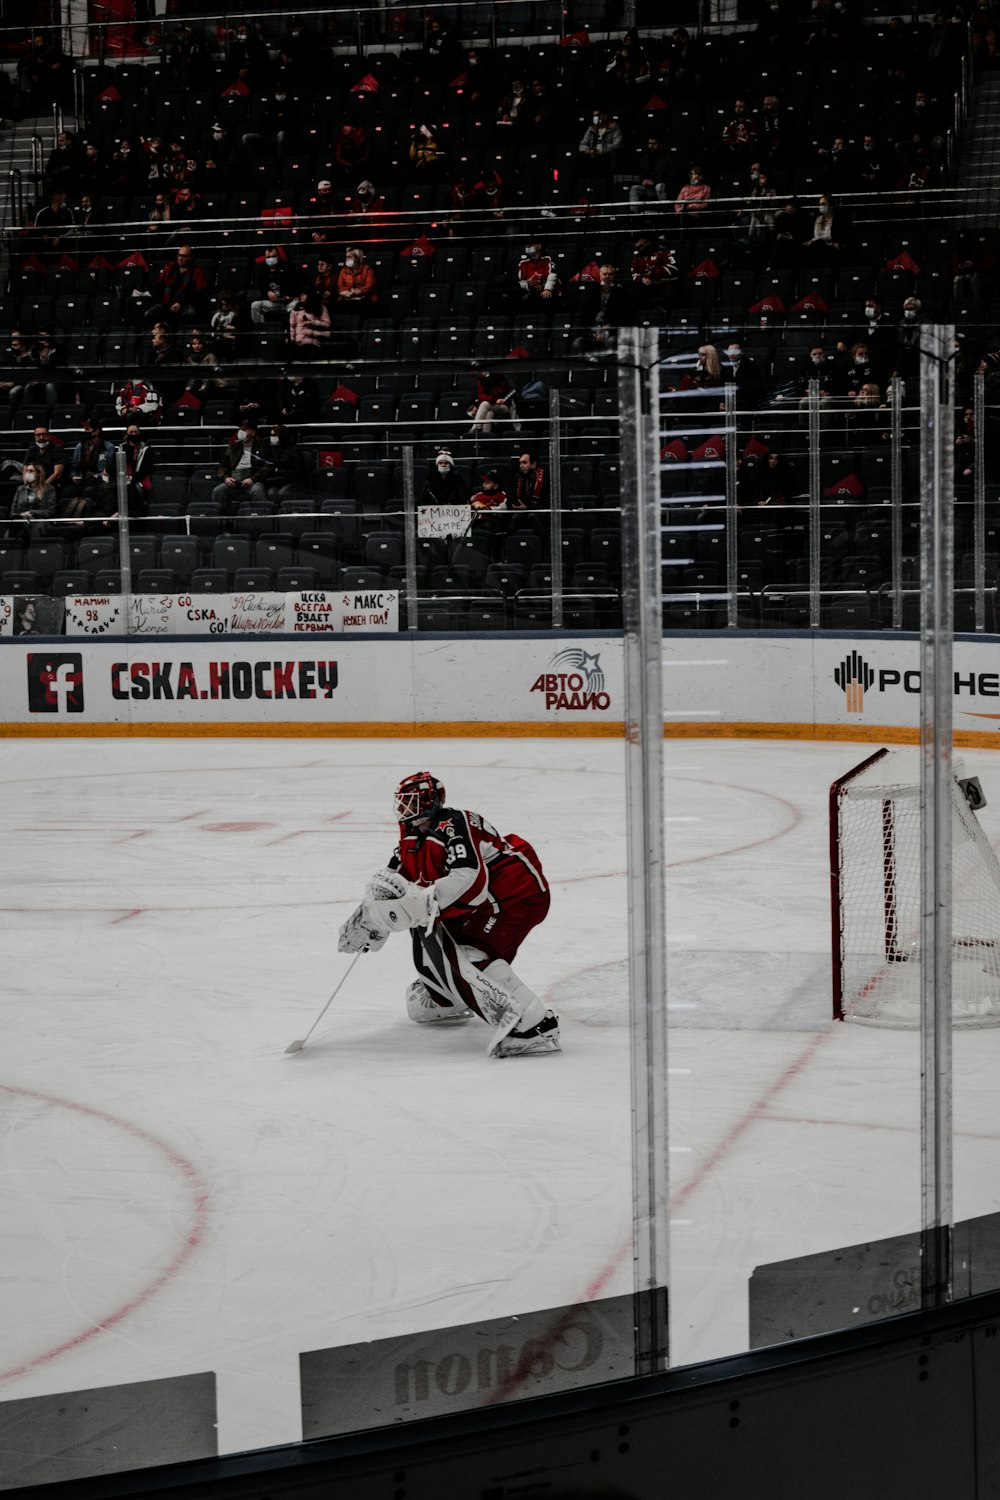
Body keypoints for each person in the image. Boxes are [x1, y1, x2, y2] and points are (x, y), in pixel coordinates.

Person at [338, 771, 560, 1059]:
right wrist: (367, 918)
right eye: (401, 803)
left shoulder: (453, 824)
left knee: (471, 955)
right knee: (428, 938)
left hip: (515, 897)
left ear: (429, 802)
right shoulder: (412, 831)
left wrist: (418, 902)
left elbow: (470, 879)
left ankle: (534, 1025)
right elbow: (394, 880)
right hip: (482, 901)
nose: (403, 810)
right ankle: (448, 999)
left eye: (410, 803)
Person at [62, 418, 116, 520]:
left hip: (99, 481)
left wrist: (97, 476)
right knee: (65, 493)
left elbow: (109, 470)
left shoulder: (108, 447)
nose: (85, 431)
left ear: (96, 431)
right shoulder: (80, 446)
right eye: (84, 429)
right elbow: (74, 467)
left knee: (89, 491)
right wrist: (73, 476)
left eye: (88, 429)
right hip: (81, 480)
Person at [212, 420, 265, 506]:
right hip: (234, 481)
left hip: (252, 480)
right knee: (218, 491)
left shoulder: (262, 447)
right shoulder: (233, 447)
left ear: (253, 433)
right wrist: (225, 478)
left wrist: (253, 479)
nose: (241, 432)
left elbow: (267, 467)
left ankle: (263, 516)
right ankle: (222, 518)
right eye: (241, 429)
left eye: (245, 429)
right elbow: (223, 466)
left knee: (257, 490)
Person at [6, 461, 58, 540]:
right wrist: (22, 516)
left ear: (38, 473)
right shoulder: (20, 489)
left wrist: (31, 512)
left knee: (34, 526)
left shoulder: (49, 489)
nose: (27, 473)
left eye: (31, 471)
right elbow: (13, 511)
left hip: (40, 521)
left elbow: (51, 511)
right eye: (26, 471)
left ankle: (34, 548)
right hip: (21, 521)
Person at [288, 289, 331, 354]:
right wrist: (292, 340)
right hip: (299, 343)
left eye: (304, 294)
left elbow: (327, 324)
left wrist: (313, 323)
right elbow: (292, 326)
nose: (301, 296)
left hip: (314, 342)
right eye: (301, 294)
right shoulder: (296, 309)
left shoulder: (320, 308)